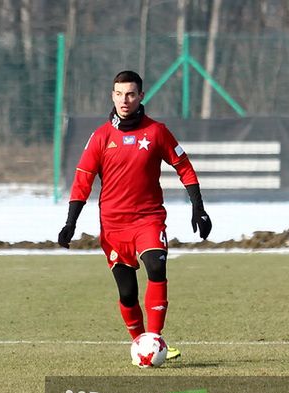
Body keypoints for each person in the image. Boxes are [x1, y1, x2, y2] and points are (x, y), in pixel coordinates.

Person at [58, 71, 212, 361]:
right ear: (112, 96)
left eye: (130, 94)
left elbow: (184, 166)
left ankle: (154, 339)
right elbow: (82, 180)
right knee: (127, 293)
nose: (124, 100)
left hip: (148, 219)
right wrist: (70, 222)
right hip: (114, 226)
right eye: (119, 93)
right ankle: (141, 344)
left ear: (141, 96)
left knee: (156, 266)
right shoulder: (101, 136)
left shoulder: (157, 132)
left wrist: (198, 207)